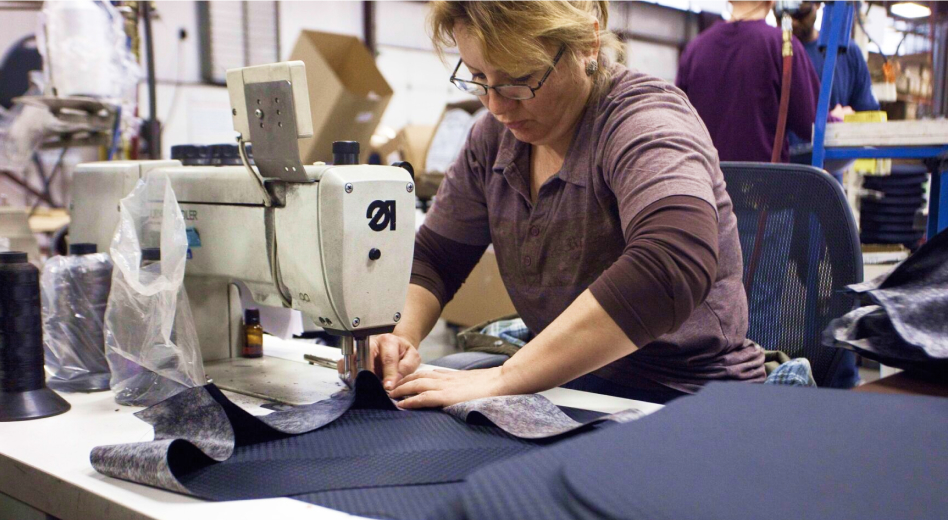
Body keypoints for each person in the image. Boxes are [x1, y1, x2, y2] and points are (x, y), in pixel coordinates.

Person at [347, 0, 765, 407]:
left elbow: (672, 263)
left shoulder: (643, 120)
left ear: (587, 44)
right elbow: (438, 257)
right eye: (478, 77)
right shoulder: (493, 140)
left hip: (683, 396)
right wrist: (401, 335)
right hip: (565, 388)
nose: (496, 105)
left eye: (519, 77)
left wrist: (506, 377)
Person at [676, 1, 820, 162]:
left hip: (705, 181)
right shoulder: (783, 45)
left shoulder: (694, 50)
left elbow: (678, 123)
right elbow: (812, 125)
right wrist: (839, 118)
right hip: (763, 183)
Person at [790, 1, 880, 117]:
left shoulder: (848, 52)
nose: (794, 22)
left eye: (801, 14)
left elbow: (868, 113)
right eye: (788, 14)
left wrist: (845, 120)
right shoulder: (774, 53)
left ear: (817, 4)